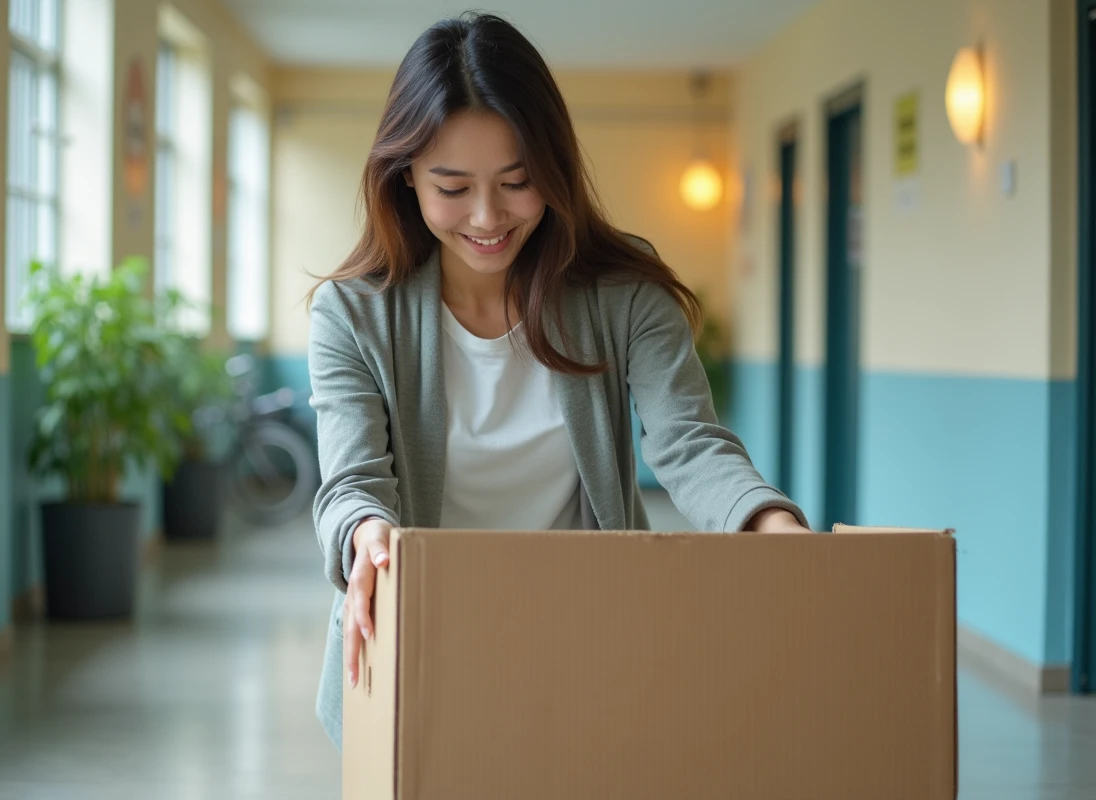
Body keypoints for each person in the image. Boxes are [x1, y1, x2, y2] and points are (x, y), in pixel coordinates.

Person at [305, 12, 810, 752]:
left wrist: (771, 526)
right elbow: (350, 483)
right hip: (421, 644)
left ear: (556, 169)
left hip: (590, 640)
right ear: (405, 172)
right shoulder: (353, 312)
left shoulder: (623, 293)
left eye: (518, 182)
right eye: (453, 187)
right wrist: (368, 540)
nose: (487, 217)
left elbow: (689, 443)